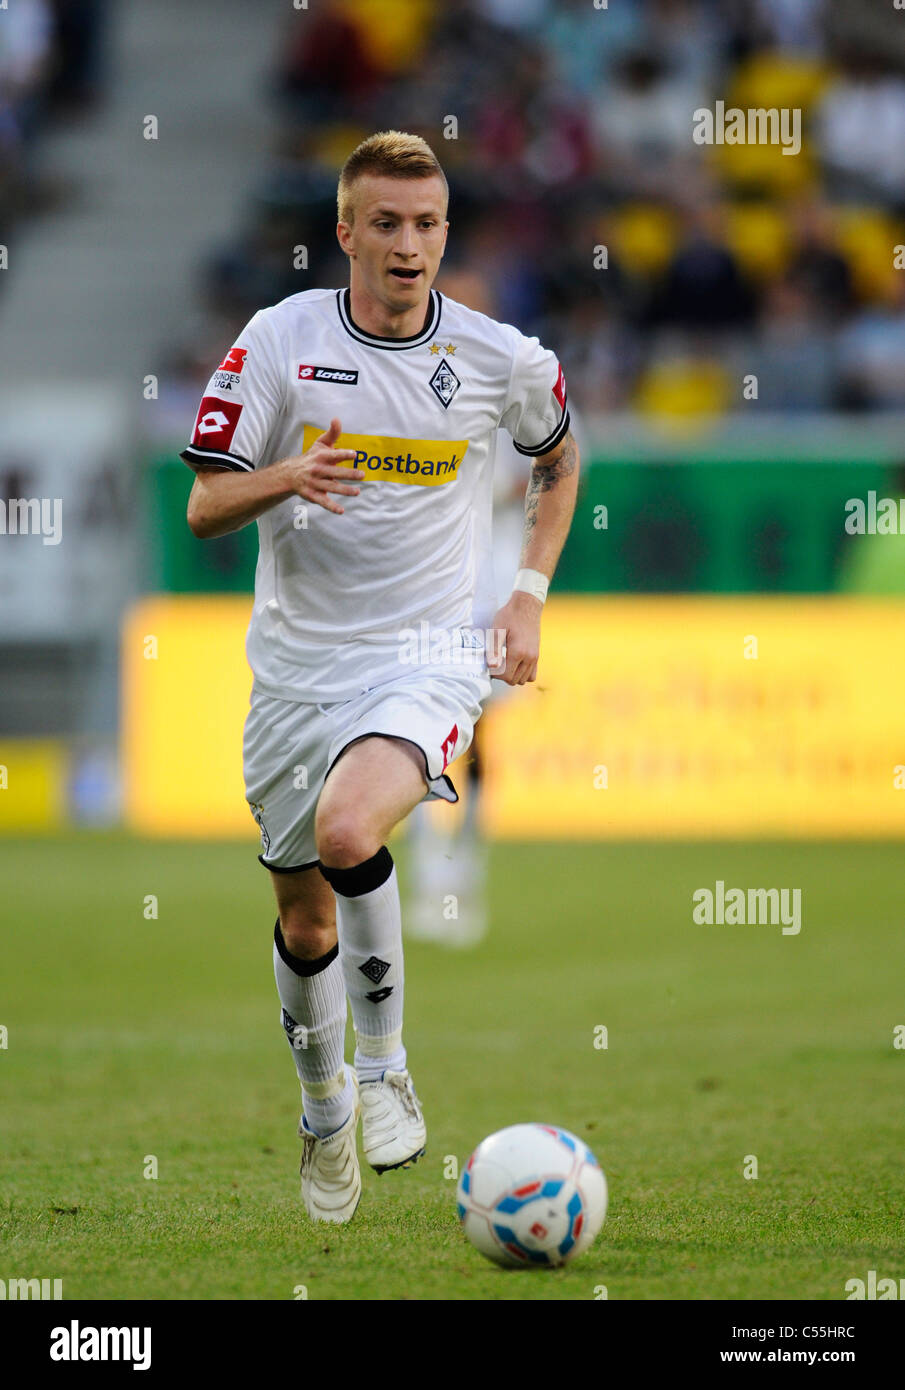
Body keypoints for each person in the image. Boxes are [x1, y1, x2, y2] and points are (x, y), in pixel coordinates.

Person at [180, 130, 579, 1224]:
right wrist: (287, 473)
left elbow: (558, 453)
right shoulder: (280, 342)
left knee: (355, 829)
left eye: (429, 224)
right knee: (304, 922)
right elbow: (205, 506)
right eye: (388, 225)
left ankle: (385, 1064)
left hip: (426, 658)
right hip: (294, 678)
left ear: (446, 232)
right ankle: (321, 1114)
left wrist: (526, 593)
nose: (410, 246)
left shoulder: (496, 355)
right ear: (346, 232)